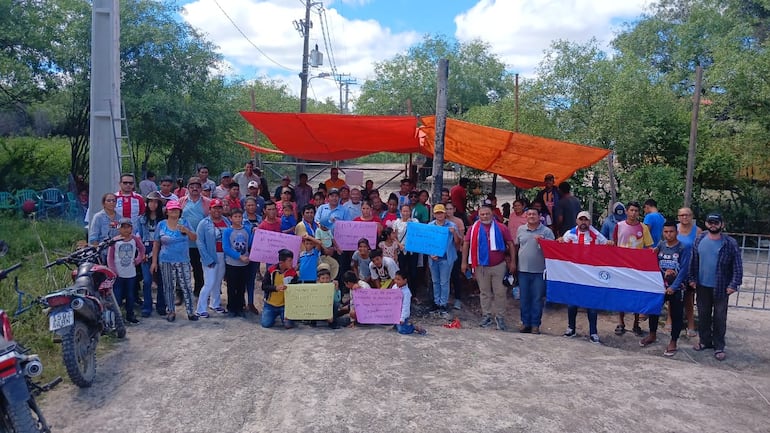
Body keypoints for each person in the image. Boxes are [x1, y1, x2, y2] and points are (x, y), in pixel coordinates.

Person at [688, 212, 742, 361]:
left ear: (722, 224)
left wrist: (734, 284)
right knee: (703, 315)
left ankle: (719, 346)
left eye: (716, 223)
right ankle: (704, 341)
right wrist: (691, 279)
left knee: (719, 317)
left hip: (721, 287)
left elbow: (737, 266)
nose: (713, 225)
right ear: (706, 224)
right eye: (710, 222)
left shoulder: (730, 243)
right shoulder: (699, 239)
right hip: (702, 285)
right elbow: (694, 261)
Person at [462, 204, 515, 330]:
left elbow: (511, 244)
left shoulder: (501, 227)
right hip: (481, 266)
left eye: (487, 214)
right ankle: (486, 316)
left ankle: (500, 317)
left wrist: (513, 262)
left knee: (500, 293)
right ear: (478, 215)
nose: (485, 216)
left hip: (499, 265)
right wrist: (464, 262)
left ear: (492, 214)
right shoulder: (473, 229)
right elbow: (466, 244)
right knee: (484, 292)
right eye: (482, 214)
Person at [642, 221, 691, 355]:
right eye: (666, 232)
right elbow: (653, 262)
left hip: (677, 287)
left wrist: (674, 286)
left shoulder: (683, 248)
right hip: (660, 286)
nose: (668, 234)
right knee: (654, 310)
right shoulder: (661, 245)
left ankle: (673, 341)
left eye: (671, 232)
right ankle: (652, 334)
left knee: (676, 315)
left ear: (677, 232)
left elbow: (684, 270)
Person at [560, 211, 609, 343]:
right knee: (572, 304)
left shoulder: (596, 235)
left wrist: (610, 244)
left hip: (590, 275)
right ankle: (571, 328)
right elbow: (560, 248)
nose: (583, 222)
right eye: (581, 220)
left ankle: (593, 332)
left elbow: (607, 246)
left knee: (591, 305)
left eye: (585, 220)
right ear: (577, 221)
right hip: (574, 274)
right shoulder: (570, 234)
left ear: (589, 222)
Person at [150, 200, 199, 321]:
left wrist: (186, 231)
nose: (174, 211)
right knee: (168, 286)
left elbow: (194, 237)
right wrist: (154, 262)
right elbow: (156, 244)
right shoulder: (161, 224)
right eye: (171, 209)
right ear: (167, 211)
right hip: (166, 259)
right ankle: (171, 311)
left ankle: (190, 311)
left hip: (183, 260)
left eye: (176, 209)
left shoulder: (184, 222)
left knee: (186, 285)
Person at [613, 201, 654, 336]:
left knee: (636, 295)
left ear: (639, 212)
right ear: (626, 212)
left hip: (637, 268)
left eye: (636, 211)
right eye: (631, 210)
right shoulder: (619, 226)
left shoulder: (643, 228)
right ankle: (621, 322)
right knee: (620, 295)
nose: (633, 213)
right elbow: (613, 245)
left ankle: (636, 323)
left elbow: (649, 247)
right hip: (621, 267)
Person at [515, 208, 556, 334]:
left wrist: (543, 242)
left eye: (534, 214)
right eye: (529, 214)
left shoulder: (547, 231)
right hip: (523, 270)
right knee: (524, 298)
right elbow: (517, 246)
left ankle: (535, 324)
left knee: (537, 298)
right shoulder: (521, 229)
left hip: (540, 271)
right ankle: (525, 322)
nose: (531, 216)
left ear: (539, 217)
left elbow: (553, 250)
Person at [195, 198, 230, 318]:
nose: (217, 210)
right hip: (210, 255)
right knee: (209, 282)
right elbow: (200, 242)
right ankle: (200, 308)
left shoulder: (226, 221)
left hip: (223, 255)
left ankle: (215, 304)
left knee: (218, 282)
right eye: (214, 208)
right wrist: (206, 258)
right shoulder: (204, 223)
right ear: (210, 209)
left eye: (219, 208)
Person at [107, 218, 145, 324]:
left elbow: (142, 249)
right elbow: (110, 258)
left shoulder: (134, 239)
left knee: (130, 295)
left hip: (131, 273)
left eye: (128, 227)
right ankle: (117, 317)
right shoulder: (115, 241)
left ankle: (130, 314)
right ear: (119, 229)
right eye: (123, 227)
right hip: (118, 274)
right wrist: (113, 270)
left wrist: (137, 260)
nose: (125, 230)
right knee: (117, 296)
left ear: (131, 228)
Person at [178, 177, 211, 298]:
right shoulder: (181, 201)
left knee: (198, 268)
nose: (194, 188)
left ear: (201, 188)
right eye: (192, 186)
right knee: (182, 268)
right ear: (188, 188)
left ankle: (199, 292)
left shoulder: (207, 202)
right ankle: (180, 293)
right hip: (183, 242)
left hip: (201, 242)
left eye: (197, 186)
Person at [427, 204, 461, 319]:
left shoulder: (452, 225)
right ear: (434, 214)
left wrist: (454, 233)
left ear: (445, 213)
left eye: (441, 212)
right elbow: (427, 243)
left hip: (446, 258)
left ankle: (443, 304)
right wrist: (431, 254)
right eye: (437, 213)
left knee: (444, 282)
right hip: (433, 258)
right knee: (435, 281)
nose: (439, 215)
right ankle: (436, 303)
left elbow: (457, 243)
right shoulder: (430, 226)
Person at [137, 191, 166, 317]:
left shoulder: (163, 220)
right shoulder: (141, 219)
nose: (153, 204)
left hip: (161, 249)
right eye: (150, 201)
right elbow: (138, 237)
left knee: (161, 280)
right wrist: (141, 252)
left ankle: (161, 305)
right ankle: (147, 306)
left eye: (156, 202)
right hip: (145, 248)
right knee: (147, 280)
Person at [675, 207, 701, 338]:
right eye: (682, 215)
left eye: (687, 215)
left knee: (689, 298)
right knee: (672, 296)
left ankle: (691, 324)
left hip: (690, 268)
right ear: (678, 217)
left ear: (692, 216)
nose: (684, 217)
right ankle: (670, 320)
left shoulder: (698, 231)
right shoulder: (674, 229)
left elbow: (699, 252)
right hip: (675, 267)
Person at [222, 208, 251, 318]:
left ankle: (240, 307)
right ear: (230, 218)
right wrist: (239, 257)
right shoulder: (227, 231)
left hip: (244, 264)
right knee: (231, 286)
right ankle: (231, 307)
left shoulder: (247, 229)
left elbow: (250, 242)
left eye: (240, 217)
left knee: (241, 287)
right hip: (232, 263)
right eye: (235, 217)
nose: (238, 219)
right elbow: (226, 248)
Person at [260, 249, 298, 329]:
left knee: (288, 325)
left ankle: (283, 316)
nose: (291, 263)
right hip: (270, 304)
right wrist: (275, 288)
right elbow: (264, 286)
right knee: (265, 324)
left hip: (285, 305)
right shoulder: (271, 270)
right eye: (289, 261)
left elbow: (296, 288)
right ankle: (273, 315)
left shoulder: (293, 273)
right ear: (281, 262)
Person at [445, 202, 466, 310]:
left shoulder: (458, 221)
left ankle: (458, 298)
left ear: (454, 209)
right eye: (446, 209)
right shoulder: (442, 221)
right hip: (444, 252)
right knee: (445, 276)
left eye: (450, 208)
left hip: (455, 251)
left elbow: (462, 239)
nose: (448, 211)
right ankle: (446, 298)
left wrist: (455, 233)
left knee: (455, 276)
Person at [393, 204, 419, 290]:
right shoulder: (397, 222)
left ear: (410, 212)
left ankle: (413, 292)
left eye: (407, 211)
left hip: (412, 250)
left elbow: (418, 235)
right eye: (404, 211)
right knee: (402, 271)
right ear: (400, 212)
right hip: (401, 250)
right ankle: (402, 290)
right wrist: (399, 244)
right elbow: (394, 237)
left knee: (413, 272)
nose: (405, 213)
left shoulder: (415, 221)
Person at [393, 270, 426, 335]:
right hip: (395, 313)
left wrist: (402, 318)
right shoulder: (394, 287)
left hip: (402, 315)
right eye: (395, 279)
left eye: (398, 279)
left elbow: (406, 306)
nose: (396, 281)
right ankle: (396, 324)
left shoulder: (406, 292)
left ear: (405, 280)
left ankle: (413, 327)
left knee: (402, 330)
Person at [315, 264, 342, 329]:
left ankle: (332, 322)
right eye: (323, 278)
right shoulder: (315, 287)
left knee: (336, 304)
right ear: (318, 279)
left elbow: (337, 300)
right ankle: (312, 321)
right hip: (319, 307)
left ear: (330, 278)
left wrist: (336, 289)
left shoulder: (333, 286)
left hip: (329, 307)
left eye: (327, 278)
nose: (325, 280)